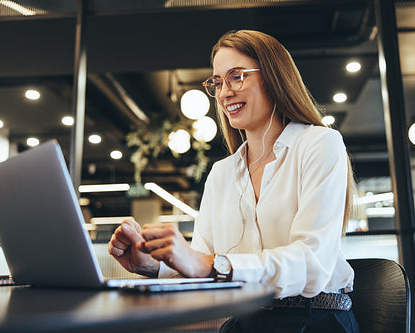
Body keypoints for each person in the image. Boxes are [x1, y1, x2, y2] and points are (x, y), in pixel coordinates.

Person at [108, 29, 360, 332]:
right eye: (217, 82)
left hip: (316, 319)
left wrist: (214, 264)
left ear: (273, 77)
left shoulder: (319, 144)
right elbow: (201, 265)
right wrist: (154, 265)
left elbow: (312, 263)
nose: (225, 92)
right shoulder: (222, 173)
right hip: (246, 320)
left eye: (237, 76)